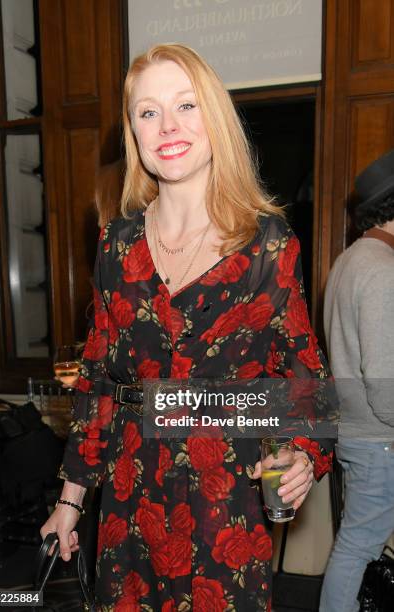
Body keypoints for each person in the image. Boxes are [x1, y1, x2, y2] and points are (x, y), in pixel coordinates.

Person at [41, 44, 333, 611]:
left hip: (223, 507)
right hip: (128, 503)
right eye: (147, 112)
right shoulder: (115, 245)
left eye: (186, 106)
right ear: (134, 133)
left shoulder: (268, 245)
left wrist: (300, 455)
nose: (167, 126)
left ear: (215, 120)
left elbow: (306, 380)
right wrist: (70, 502)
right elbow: (98, 380)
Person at [320, 150, 394, 612]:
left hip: (358, 435)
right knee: (357, 548)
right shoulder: (383, 271)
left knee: (356, 546)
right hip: (379, 440)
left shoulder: (349, 261)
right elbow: (387, 389)